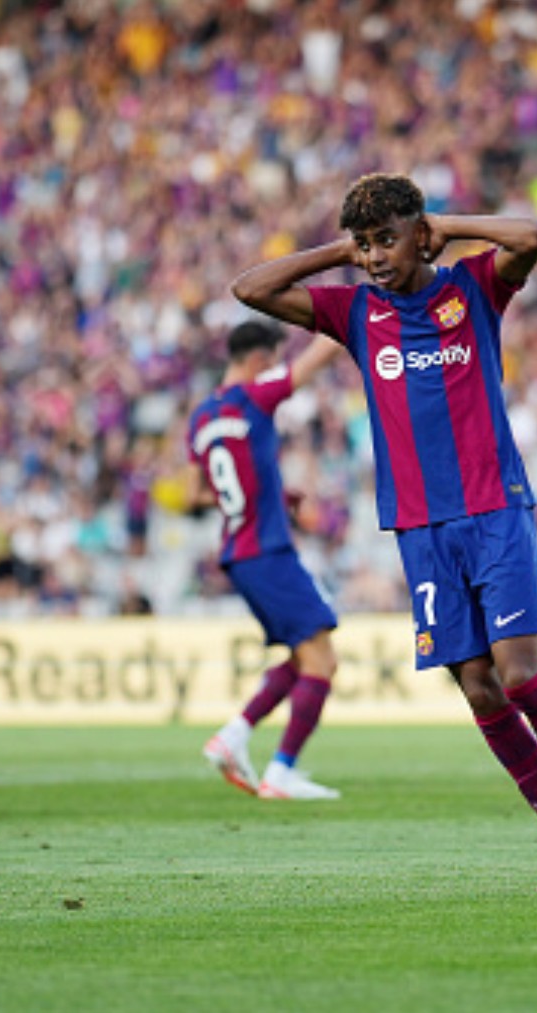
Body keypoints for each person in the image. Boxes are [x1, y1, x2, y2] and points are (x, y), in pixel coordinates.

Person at [232, 173, 537, 891]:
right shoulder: (356, 311)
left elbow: (534, 237)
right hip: (420, 529)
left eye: (385, 239)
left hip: (493, 509)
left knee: (519, 673)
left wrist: (441, 225)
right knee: (480, 690)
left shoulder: (472, 287)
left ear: (420, 233)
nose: (373, 257)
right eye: (364, 245)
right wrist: (339, 250)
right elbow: (250, 289)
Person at [193, 321, 347, 801]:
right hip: (267, 550)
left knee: (303, 657)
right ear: (260, 360)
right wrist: (353, 317)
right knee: (323, 659)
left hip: (238, 552)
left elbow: (208, 489)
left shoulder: (200, 418)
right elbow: (311, 363)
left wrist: (277, 496)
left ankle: (234, 737)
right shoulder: (254, 396)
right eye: (273, 360)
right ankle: (281, 771)